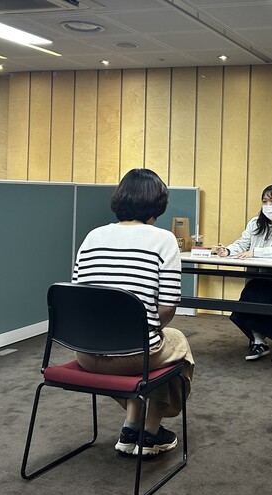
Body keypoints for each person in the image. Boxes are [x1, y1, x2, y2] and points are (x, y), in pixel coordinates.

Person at [71, 168, 195, 458]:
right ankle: (150, 432)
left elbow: (78, 298)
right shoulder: (164, 240)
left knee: (149, 350)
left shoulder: (91, 237)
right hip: (133, 356)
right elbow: (167, 309)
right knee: (177, 345)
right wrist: (148, 327)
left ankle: (130, 427)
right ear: (158, 203)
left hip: (85, 353)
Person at [216, 184, 272, 364]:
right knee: (253, 293)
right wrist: (228, 250)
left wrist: (255, 252)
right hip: (260, 278)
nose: (268, 205)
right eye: (265, 201)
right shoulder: (256, 222)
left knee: (256, 295)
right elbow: (243, 243)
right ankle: (259, 342)